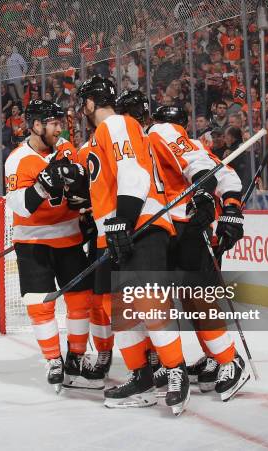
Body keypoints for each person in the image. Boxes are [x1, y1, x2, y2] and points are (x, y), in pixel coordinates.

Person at [74, 76, 189, 414]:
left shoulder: (117, 124)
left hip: (141, 224)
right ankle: (141, 377)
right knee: (122, 312)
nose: (83, 110)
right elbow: (103, 188)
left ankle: (176, 370)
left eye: (85, 103)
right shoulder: (97, 139)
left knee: (149, 304)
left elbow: (134, 173)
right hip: (118, 229)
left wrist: (123, 220)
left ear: (92, 102)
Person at [147, 102, 249, 402]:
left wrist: (229, 212)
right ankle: (213, 355)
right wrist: (231, 211)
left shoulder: (164, 134)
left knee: (196, 299)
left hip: (187, 228)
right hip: (175, 229)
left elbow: (224, 177)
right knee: (182, 300)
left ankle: (229, 359)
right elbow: (229, 177)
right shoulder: (160, 142)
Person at [5, 99, 104, 392]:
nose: (61, 128)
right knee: (40, 304)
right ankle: (53, 360)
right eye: (55, 123)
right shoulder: (17, 159)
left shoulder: (65, 148)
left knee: (80, 301)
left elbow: (84, 189)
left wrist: (83, 201)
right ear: (36, 126)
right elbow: (20, 206)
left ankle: (75, 358)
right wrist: (43, 185)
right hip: (33, 242)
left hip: (70, 238)